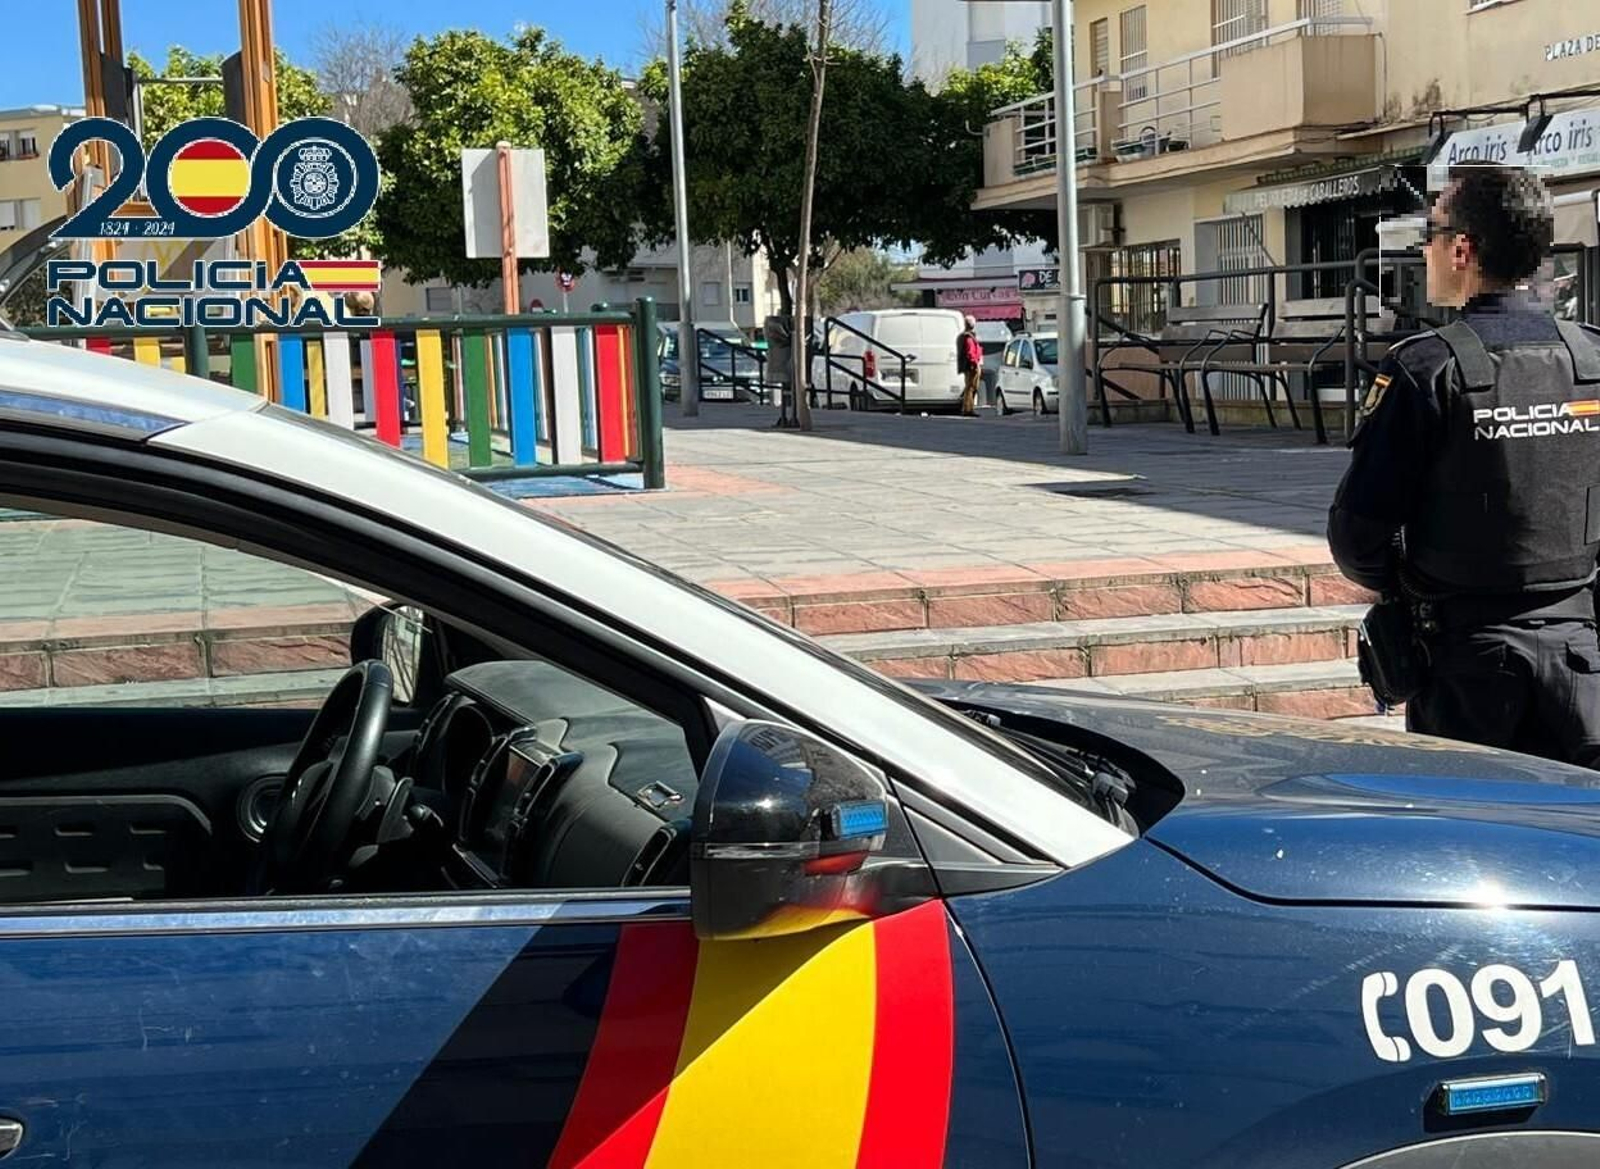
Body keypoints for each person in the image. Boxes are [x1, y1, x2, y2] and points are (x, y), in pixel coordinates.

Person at [1329, 163, 1600, 766]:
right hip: (1583, 664)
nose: (1423, 248)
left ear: (1462, 248)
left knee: (1472, 840)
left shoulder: (1428, 369)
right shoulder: (1592, 358)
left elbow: (1357, 534)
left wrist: (1409, 586)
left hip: (1466, 667)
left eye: (1430, 232)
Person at [957, 315, 982, 416]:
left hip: (969, 365)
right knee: (971, 387)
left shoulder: (965, 336)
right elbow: (970, 353)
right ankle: (968, 409)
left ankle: (968, 408)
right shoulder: (969, 337)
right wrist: (975, 363)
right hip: (972, 366)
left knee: (970, 387)